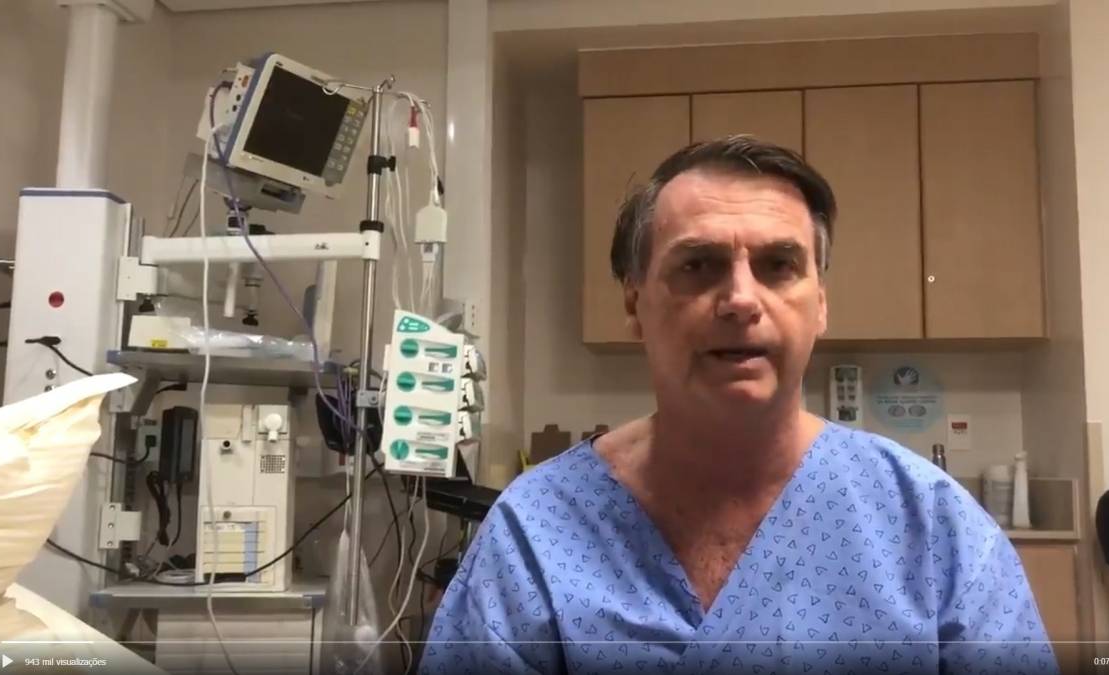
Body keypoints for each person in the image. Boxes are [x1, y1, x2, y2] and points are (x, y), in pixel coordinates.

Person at [419, 136, 1057, 674]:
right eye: (699, 265)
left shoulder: (933, 529)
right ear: (635, 304)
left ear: (821, 304)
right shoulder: (536, 531)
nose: (742, 300)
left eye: (779, 264)